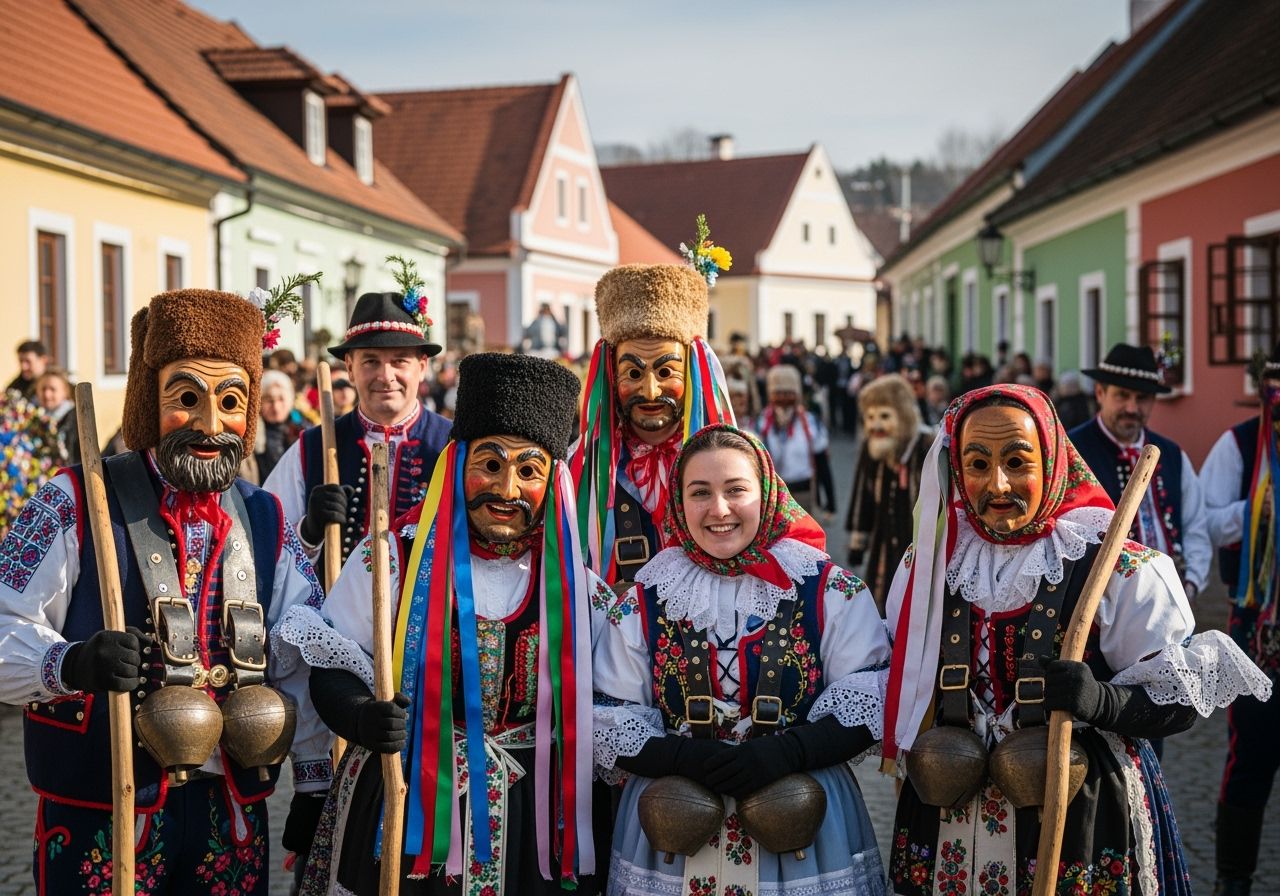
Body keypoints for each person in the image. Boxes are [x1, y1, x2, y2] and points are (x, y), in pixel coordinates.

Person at [0, 288, 333, 893]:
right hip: (104, 802)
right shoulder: (72, 501)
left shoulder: (267, 518)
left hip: (229, 809)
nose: (210, 424)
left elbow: (303, 653)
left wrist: (312, 783)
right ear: (146, 399)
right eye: (186, 398)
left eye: (231, 400)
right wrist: (71, 661)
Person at [882, 383, 1269, 895]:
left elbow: (1179, 699)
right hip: (951, 807)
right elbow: (898, 678)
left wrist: (1101, 699)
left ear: (1051, 460)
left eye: (1017, 462)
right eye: (977, 465)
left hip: (1081, 808)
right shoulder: (929, 562)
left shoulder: (1113, 563)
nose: (998, 484)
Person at [278, 353, 599, 895]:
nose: (506, 490)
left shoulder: (574, 583)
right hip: (405, 805)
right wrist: (361, 717)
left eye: (529, 471)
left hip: (531, 819)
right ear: (457, 464)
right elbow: (331, 665)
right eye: (490, 466)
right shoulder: (392, 559)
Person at [592, 424, 891, 895]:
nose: (719, 509)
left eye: (737, 490)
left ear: (767, 492)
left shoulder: (827, 588)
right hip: (674, 823)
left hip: (804, 815)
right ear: (678, 502)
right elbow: (609, 715)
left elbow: (871, 699)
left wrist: (791, 751)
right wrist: (680, 756)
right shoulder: (645, 598)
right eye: (699, 493)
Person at [263, 273, 452, 571]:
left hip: (429, 617)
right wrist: (308, 532)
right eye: (371, 361)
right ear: (350, 369)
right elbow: (264, 545)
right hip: (334, 616)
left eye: (400, 360)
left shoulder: (453, 446)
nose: (385, 376)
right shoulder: (311, 448)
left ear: (422, 367)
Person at [574, 263, 734, 590]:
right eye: (633, 373)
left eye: (665, 373)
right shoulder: (580, 471)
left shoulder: (737, 464)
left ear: (692, 373)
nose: (650, 391)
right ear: (610, 374)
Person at [1199, 343, 1280, 895]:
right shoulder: (1240, 444)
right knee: (1252, 752)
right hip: (1260, 630)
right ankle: (1234, 877)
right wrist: (1258, 508)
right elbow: (1207, 521)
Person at [1071, 344, 1210, 602]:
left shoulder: (1172, 454)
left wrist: (1190, 584)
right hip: (1100, 607)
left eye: (1142, 398)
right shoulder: (1073, 453)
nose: (1132, 408)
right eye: (1122, 395)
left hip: (1170, 600)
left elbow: (1195, 526)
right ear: (1100, 393)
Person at [844, 374, 932, 613]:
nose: (876, 426)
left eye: (884, 416)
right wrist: (858, 541)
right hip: (884, 540)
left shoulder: (927, 446)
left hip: (920, 542)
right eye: (870, 418)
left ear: (903, 416)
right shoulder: (872, 448)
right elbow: (863, 492)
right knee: (883, 598)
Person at [755, 364, 835, 517]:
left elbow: (822, 464)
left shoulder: (811, 423)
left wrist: (830, 502)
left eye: (788, 393)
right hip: (773, 496)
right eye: (778, 393)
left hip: (803, 493)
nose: (784, 398)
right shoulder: (761, 423)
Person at [240, 369, 305, 485]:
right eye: (269, 400)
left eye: (281, 399)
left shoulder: (303, 429)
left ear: (290, 399)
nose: (276, 407)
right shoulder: (249, 435)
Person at [33, 367, 79, 465]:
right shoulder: (33, 416)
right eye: (43, 388)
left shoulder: (74, 417)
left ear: (65, 392)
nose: (47, 394)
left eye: (52, 389)